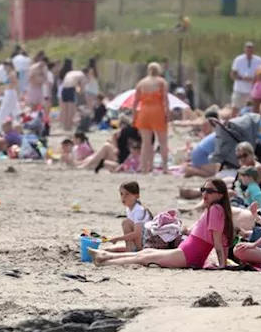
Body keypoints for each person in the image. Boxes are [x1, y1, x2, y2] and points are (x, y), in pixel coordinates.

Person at [92, 178, 231, 269]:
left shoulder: (215, 210)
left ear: (221, 195)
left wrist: (222, 266)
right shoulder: (214, 210)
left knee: (145, 258)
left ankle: (106, 261)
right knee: (146, 252)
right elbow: (220, 241)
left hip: (188, 256)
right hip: (186, 252)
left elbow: (218, 243)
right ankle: (105, 256)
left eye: (210, 191)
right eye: (203, 190)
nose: (205, 194)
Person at [134, 62, 170, 174]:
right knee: (163, 141)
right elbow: (165, 100)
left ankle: (145, 168)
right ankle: (164, 168)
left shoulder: (141, 83)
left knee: (146, 143)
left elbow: (135, 103)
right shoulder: (161, 82)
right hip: (157, 111)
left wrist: (135, 116)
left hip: (144, 112)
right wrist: (167, 115)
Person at [102, 181, 149, 253]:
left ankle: (131, 251)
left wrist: (117, 239)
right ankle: (131, 249)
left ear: (136, 196)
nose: (123, 197)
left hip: (147, 243)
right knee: (109, 249)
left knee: (126, 223)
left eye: (127, 194)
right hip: (141, 242)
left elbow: (137, 233)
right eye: (121, 194)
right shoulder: (129, 209)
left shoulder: (139, 210)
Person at [230, 42, 261, 109]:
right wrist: (243, 78)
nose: (249, 51)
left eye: (251, 49)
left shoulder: (258, 60)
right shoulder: (238, 59)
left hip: (253, 90)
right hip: (239, 90)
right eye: (248, 49)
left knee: (253, 109)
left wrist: (254, 79)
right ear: (244, 50)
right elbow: (233, 74)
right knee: (235, 108)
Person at [60, 60, 86, 133]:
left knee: (65, 109)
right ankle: (69, 126)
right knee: (71, 110)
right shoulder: (82, 75)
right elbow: (82, 88)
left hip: (64, 89)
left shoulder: (71, 73)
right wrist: (81, 95)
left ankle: (65, 126)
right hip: (71, 89)